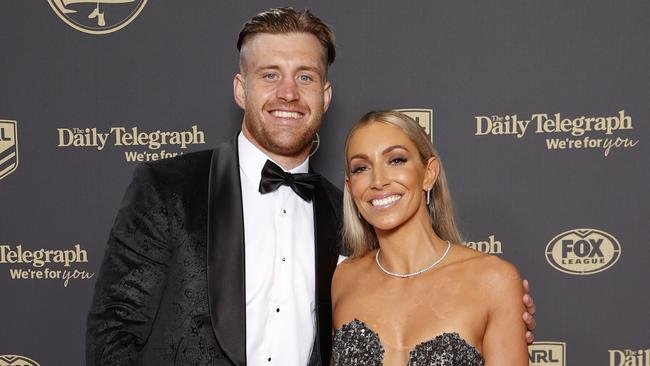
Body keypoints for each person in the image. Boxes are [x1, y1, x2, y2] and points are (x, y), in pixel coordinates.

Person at [86, 8, 535, 366]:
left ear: (325, 95)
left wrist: (493, 313)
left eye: (305, 76)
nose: (288, 93)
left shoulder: (346, 211)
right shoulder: (169, 187)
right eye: (270, 75)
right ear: (241, 90)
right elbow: (114, 333)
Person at [332, 110, 529, 365]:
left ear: (428, 173)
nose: (378, 181)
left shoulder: (493, 281)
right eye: (361, 168)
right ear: (350, 187)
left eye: (396, 160)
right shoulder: (341, 280)